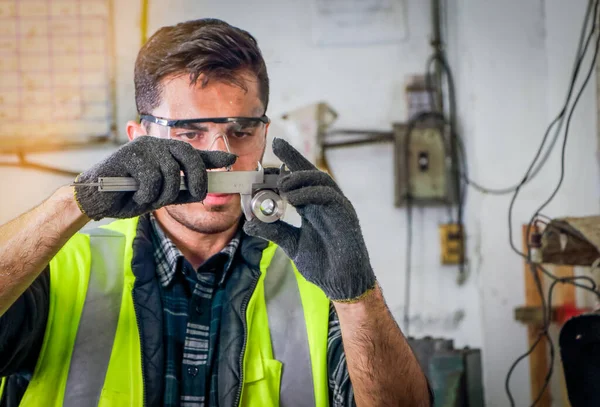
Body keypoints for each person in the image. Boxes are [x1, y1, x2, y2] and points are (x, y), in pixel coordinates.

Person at [0, 18, 431, 407]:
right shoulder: (58, 267)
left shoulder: (314, 277)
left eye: (241, 132)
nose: (220, 158)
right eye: (190, 132)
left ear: (263, 136)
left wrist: (359, 297)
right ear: (138, 140)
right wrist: (72, 202)